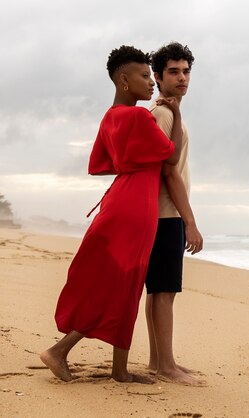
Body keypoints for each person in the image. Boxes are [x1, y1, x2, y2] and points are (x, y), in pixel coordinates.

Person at [40, 45, 183, 383]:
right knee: (123, 287)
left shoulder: (110, 117)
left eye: (151, 76)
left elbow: (101, 165)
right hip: (137, 206)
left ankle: (120, 369)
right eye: (145, 76)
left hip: (120, 198)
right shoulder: (137, 116)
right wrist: (175, 115)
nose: (151, 83)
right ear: (123, 79)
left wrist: (133, 164)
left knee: (126, 286)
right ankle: (58, 351)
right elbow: (172, 157)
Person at [144, 42, 204, 385]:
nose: (182, 78)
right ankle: (166, 367)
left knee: (158, 291)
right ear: (158, 76)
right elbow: (169, 172)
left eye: (185, 71)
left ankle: (159, 361)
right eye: (173, 72)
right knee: (164, 292)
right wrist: (190, 222)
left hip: (162, 214)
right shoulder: (164, 113)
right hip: (166, 214)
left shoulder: (167, 111)